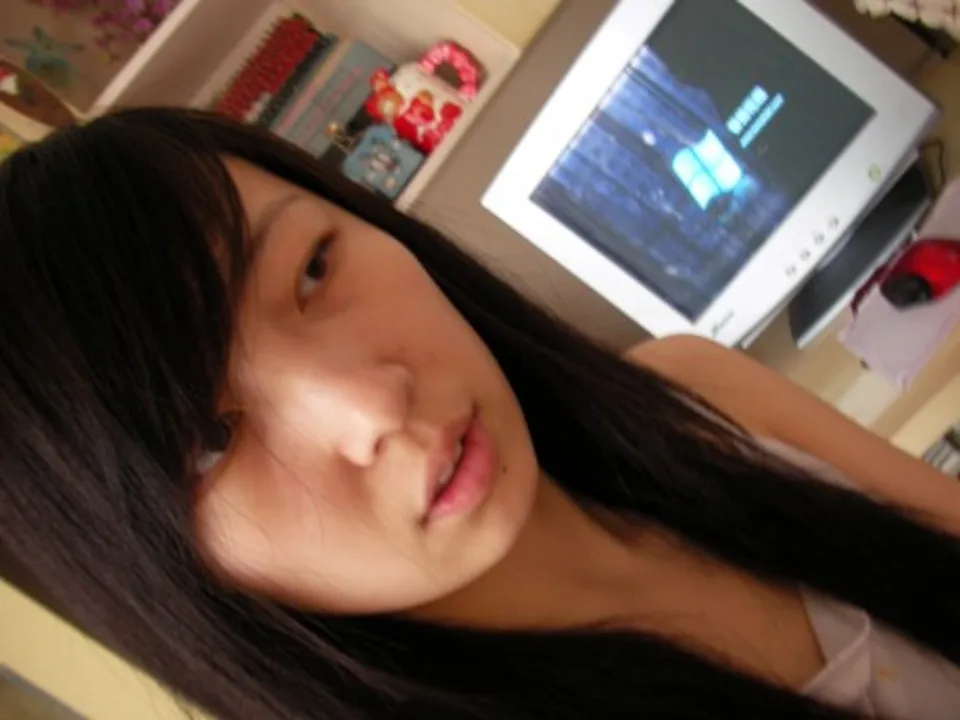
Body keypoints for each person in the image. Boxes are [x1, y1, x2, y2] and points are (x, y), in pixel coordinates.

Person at [1, 108, 958, 720]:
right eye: (211, 440)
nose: (373, 403)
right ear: (156, 568)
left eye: (314, 268)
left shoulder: (698, 397)